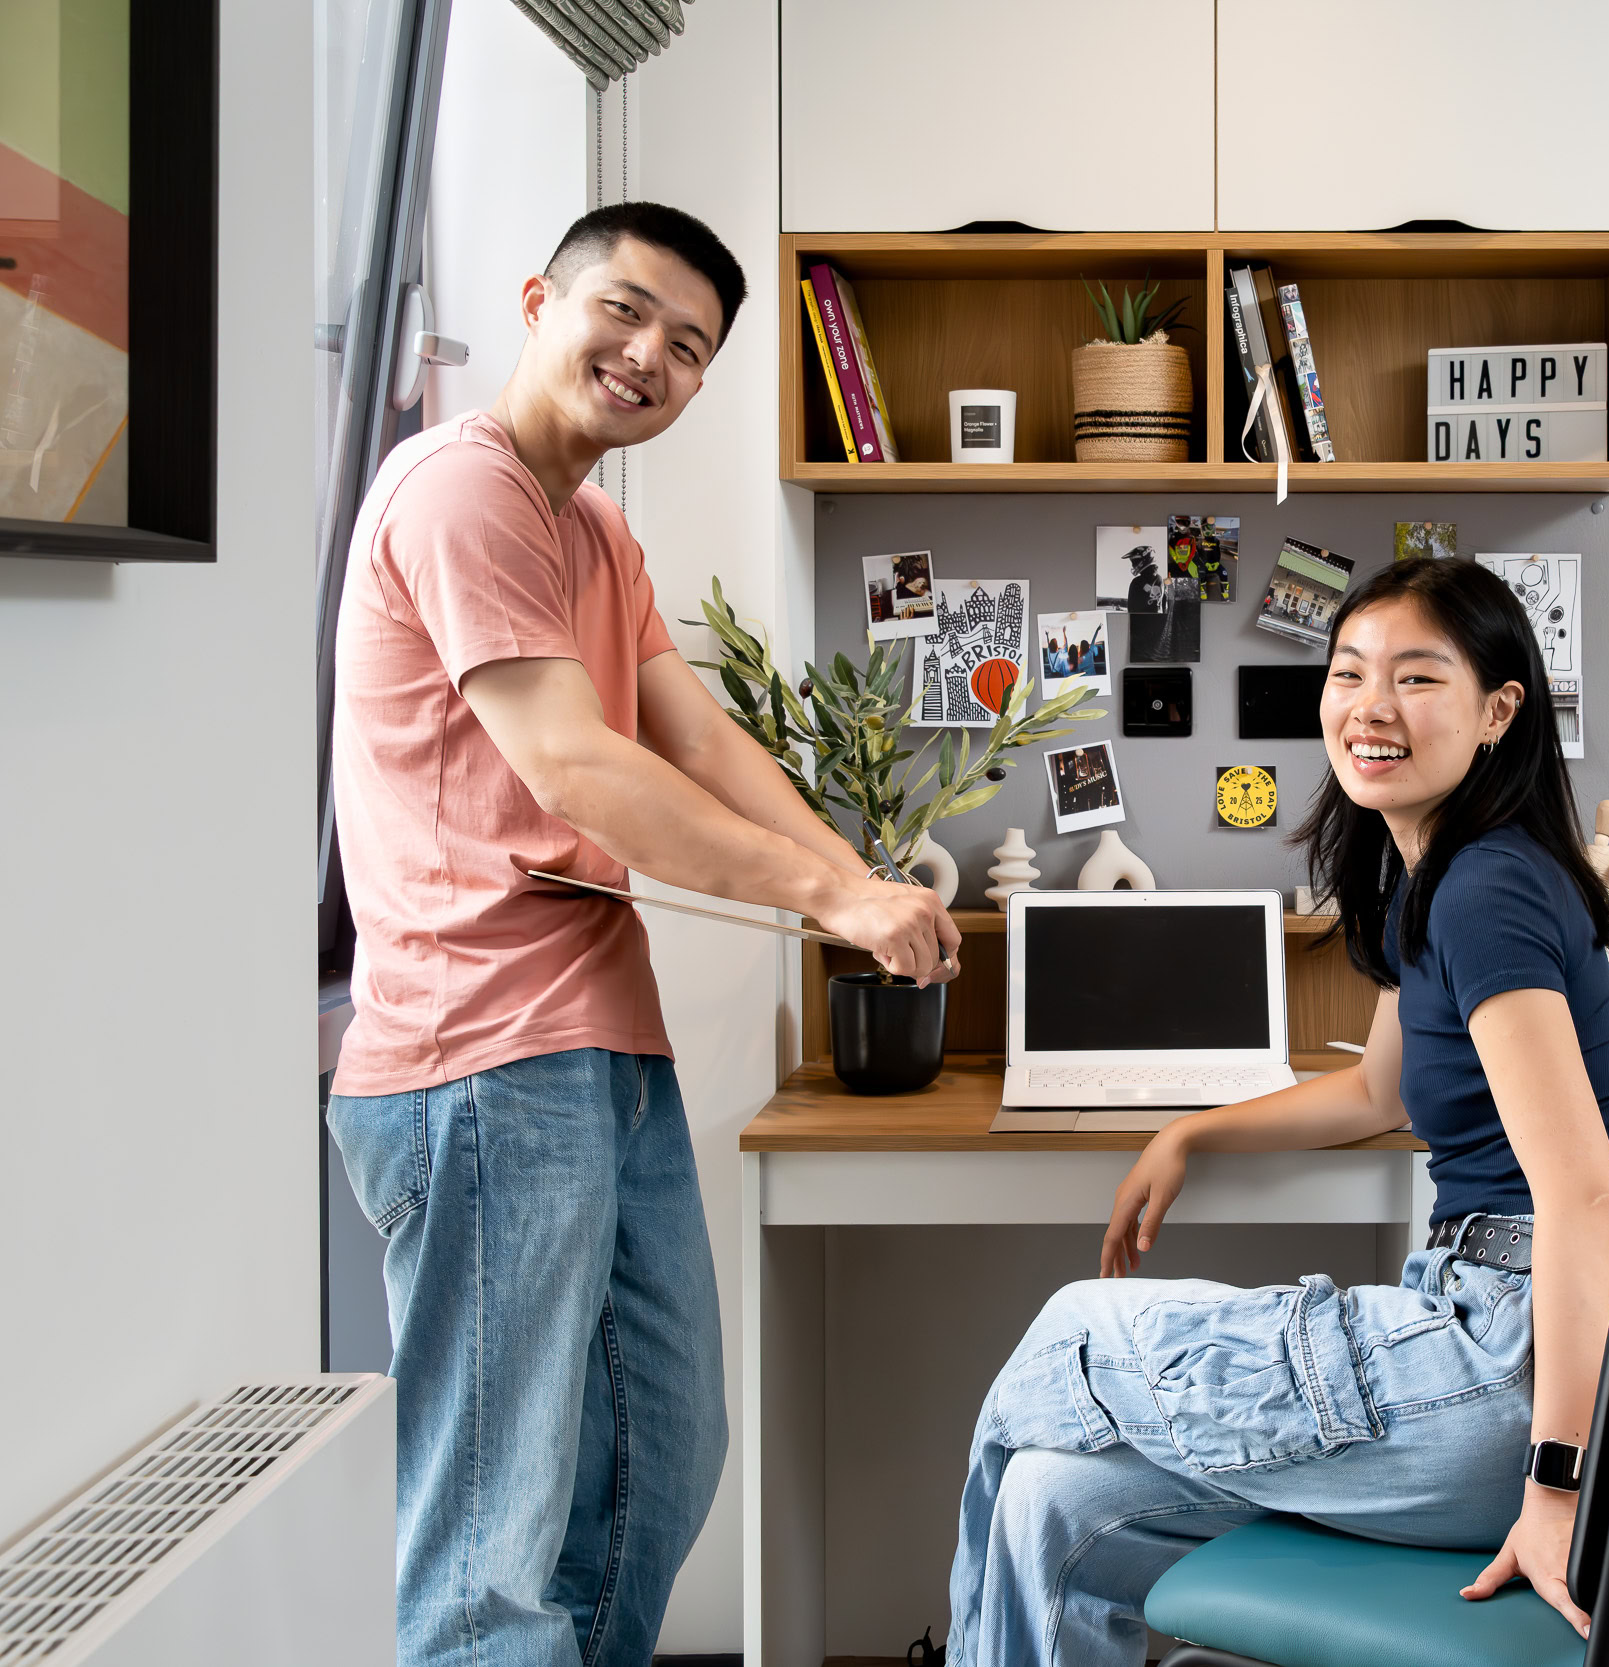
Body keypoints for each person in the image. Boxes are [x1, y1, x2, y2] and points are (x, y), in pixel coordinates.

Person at [326, 201, 960, 1667]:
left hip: (597, 1045)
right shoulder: (459, 491)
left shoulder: (596, 531)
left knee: (657, 1460)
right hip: (477, 1056)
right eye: (625, 313)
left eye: (687, 347)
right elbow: (583, 768)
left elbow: (697, 734)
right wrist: (831, 900)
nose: (647, 357)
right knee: (494, 1539)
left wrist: (858, 876)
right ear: (543, 298)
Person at [946, 558, 1609, 1667]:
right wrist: (1191, 1128)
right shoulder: (1446, 873)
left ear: (1497, 709)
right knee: (1054, 1500)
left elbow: (1584, 1189)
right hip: (1536, 1359)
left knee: (1071, 1329)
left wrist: (1562, 1489)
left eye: (1416, 677)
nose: (1370, 707)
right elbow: (1377, 1092)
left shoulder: (1483, 890)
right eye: (1349, 672)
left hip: (1509, 1378)